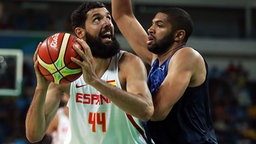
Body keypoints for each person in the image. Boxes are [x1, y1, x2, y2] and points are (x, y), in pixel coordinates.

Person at [25, 2, 154, 144]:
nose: (107, 23)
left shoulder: (128, 63)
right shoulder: (66, 75)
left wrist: (95, 82)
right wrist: (41, 88)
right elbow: (34, 135)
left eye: (108, 18)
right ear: (80, 33)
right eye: (97, 19)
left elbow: (146, 110)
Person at [112, 0, 218, 143]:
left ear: (178, 35)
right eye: (152, 23)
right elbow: (122, 15)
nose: (150, 29)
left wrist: (108, 90)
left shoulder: (186, 56)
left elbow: (156, 112)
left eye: (159, 25)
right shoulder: (157, 58)